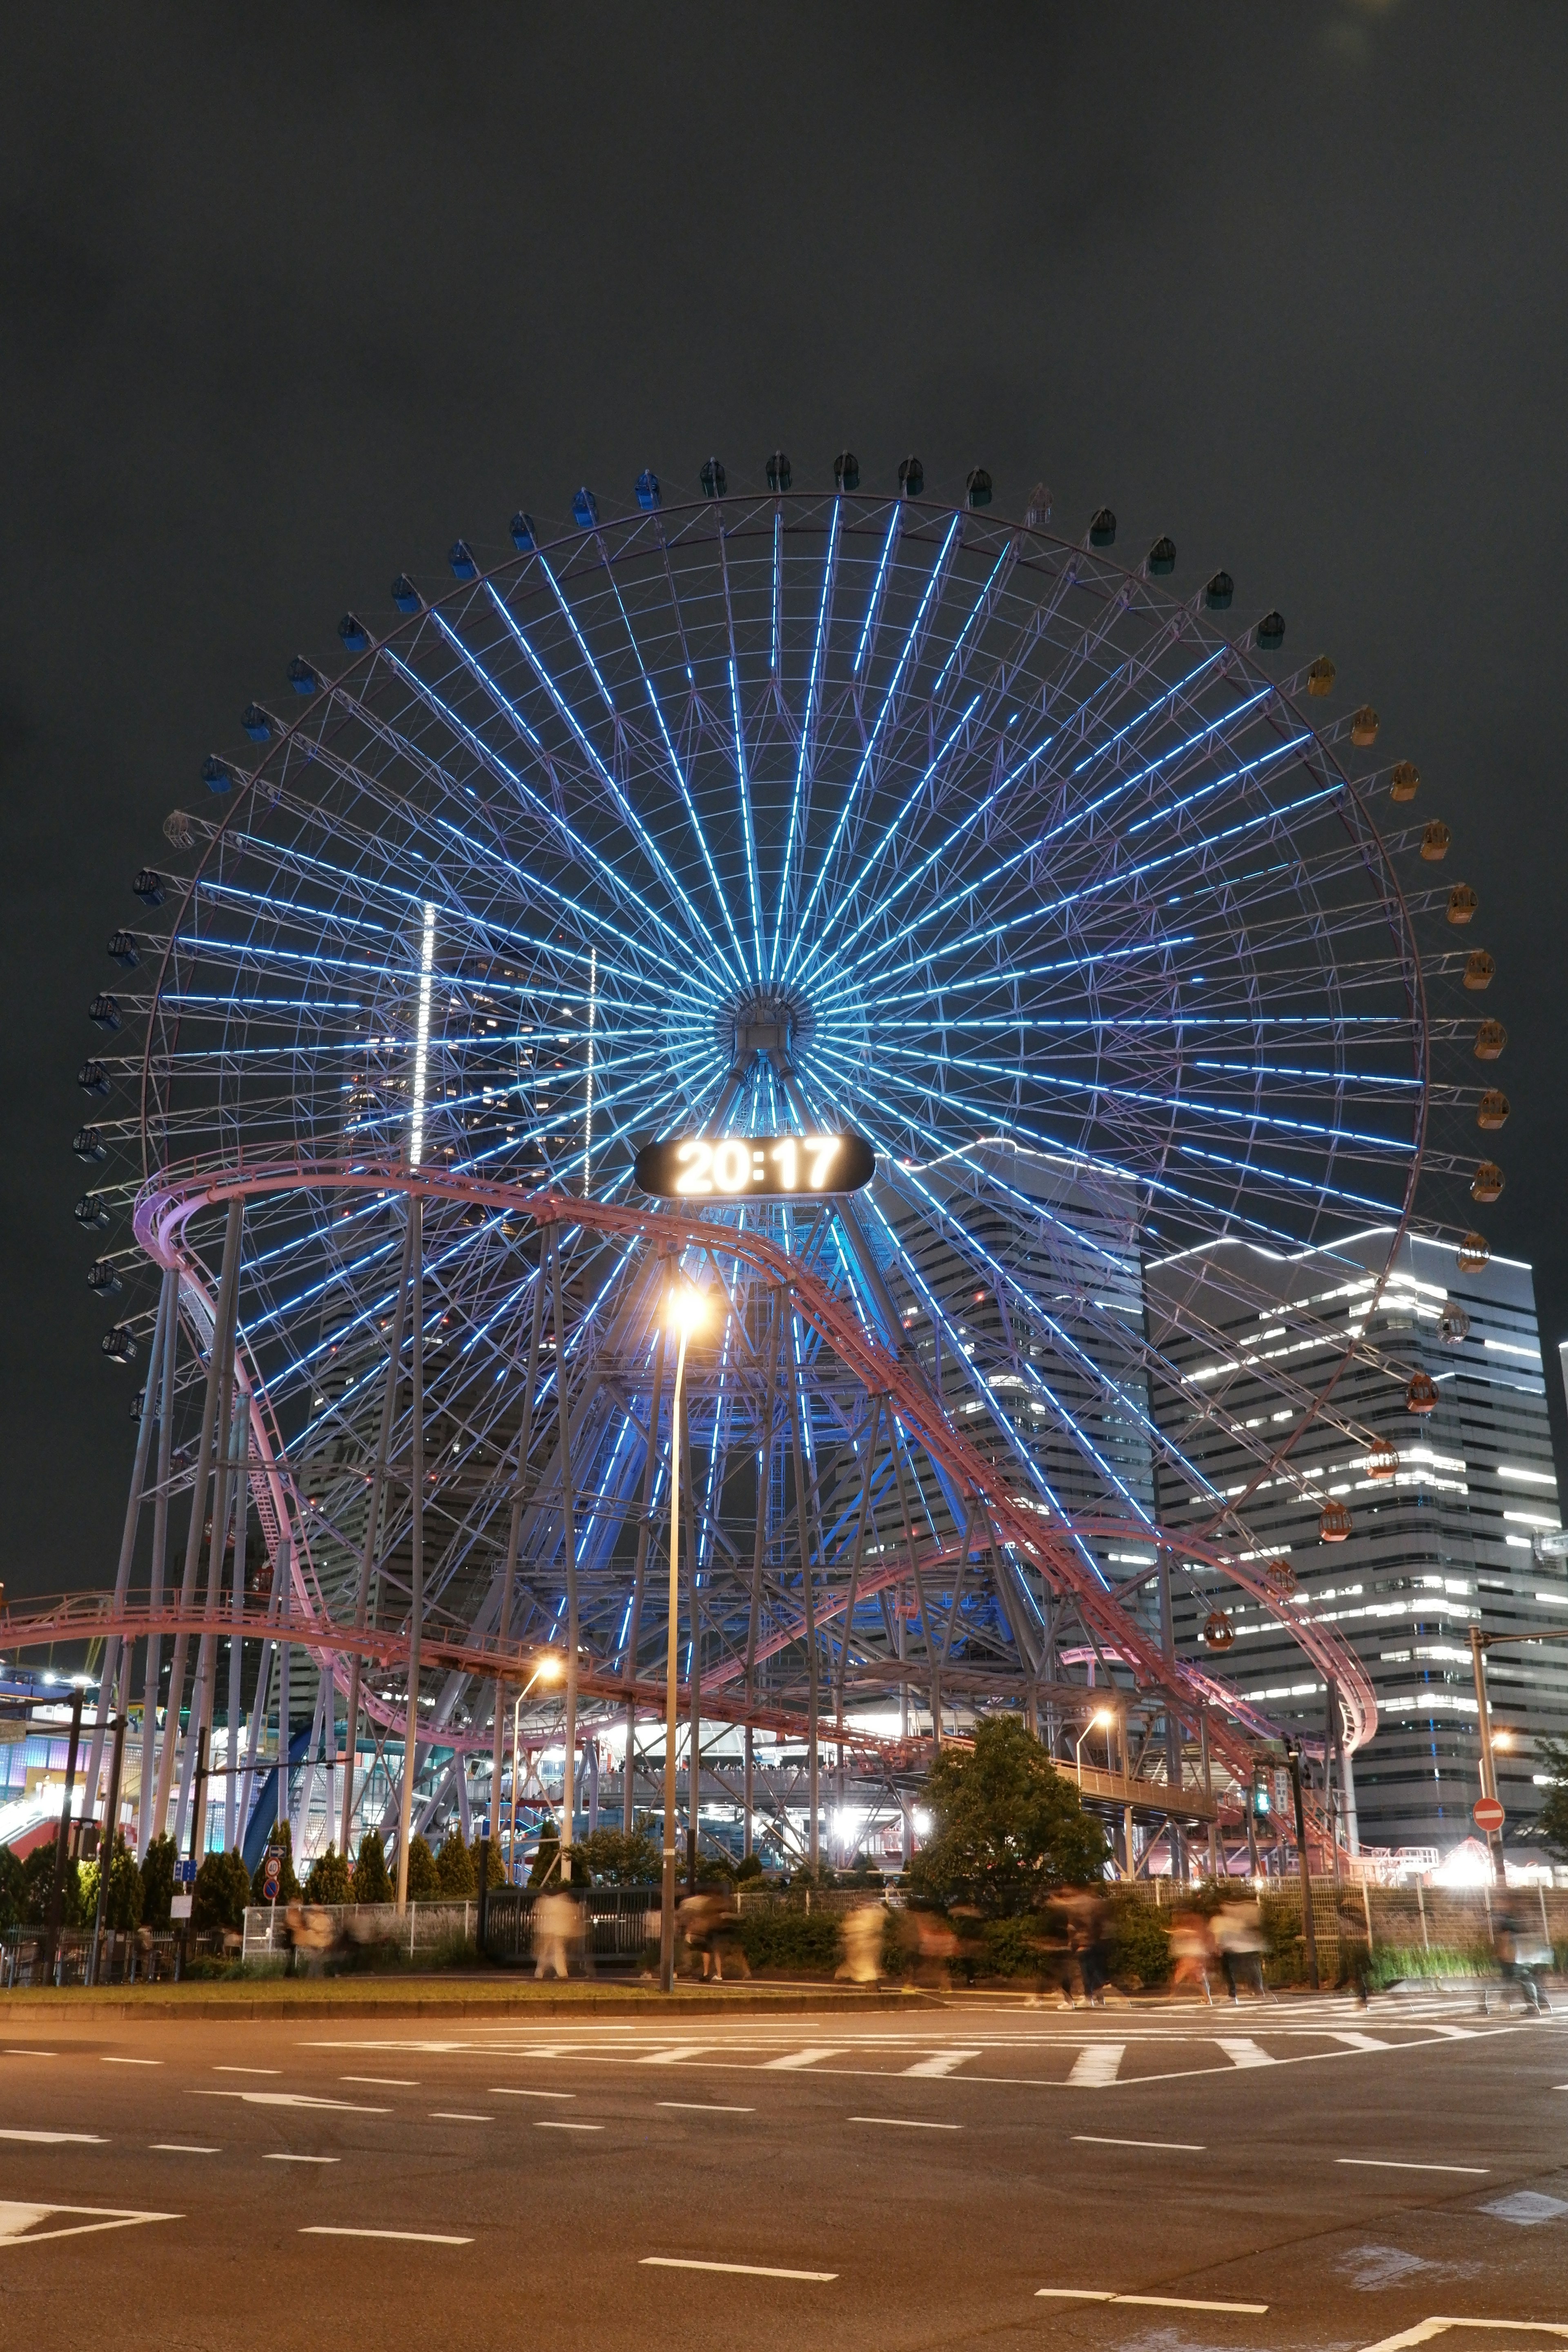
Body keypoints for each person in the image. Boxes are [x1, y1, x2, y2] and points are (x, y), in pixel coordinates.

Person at [1212, 1899, 1270, 2001]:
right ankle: (1258, 1990)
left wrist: (1219, 1946)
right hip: (1244, 1948)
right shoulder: (1238, 1919)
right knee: (1252, 1969)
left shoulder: (1221, 1920)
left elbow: (1221, 1935)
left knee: (1230, 1971)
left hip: (1232, 1949)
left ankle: (1233, 1993)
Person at [1170, 1908, 1217, 2005]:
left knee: (1196, 1979)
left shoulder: (1190, 1930)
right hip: (1195, 1956)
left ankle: (1207, 1999)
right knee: (1197, 1978)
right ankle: (1207, 1998)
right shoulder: (1195, 1929)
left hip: (1192, 1957)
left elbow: (1184, 1935)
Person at [838, 1900, 887, 1987]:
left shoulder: (866, 1914)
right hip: (864, 1947)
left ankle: (871, 1989)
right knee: (867, 1971)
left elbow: (849, 1929)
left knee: (867, 1971)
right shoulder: (868, 1914)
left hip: (865, 1947)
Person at [532, 1887, 577, 1980]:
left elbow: (537, 1913)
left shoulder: (546, 1902)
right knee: (557, 1952)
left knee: (545, 1952)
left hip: (548, 1931)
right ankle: (561, 1972)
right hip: (558, 1932)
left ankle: (541, 1972)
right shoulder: (564, 1902)